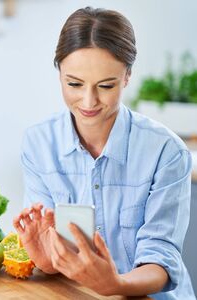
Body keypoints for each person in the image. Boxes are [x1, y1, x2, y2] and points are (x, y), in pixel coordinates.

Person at [12, 7, 195, 300]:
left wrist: (116, 285)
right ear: (59, 72)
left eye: (106, 85)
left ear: (127, 76)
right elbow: (53, 258)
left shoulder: (166, 151)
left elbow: (161, 258)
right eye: (74, 83)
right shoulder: (38, 143)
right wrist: (45, 258)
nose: (88, 101)